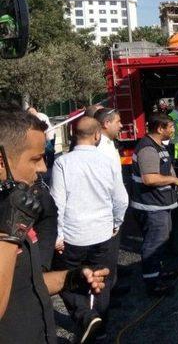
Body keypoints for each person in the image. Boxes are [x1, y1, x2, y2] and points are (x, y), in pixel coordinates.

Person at [0, 110, 109, 344]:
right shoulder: (12, 218)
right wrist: (9, 235)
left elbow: (25, 284)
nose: (42, 168)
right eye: (35, 159)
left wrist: (70, 279)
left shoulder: (16, 209)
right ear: (1, 161)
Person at [50, 117, 128, 340]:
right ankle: (100, 328)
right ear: (97, 135)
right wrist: (116, 223)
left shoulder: (62, 163)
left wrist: (59, 234)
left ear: (74, 135)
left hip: (74, 236)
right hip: (103, 233)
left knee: (67, 279)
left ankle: (84, 316)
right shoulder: (108, 161)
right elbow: (121, 199)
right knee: (101, 279)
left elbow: (58, 202)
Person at [130, 112, 178, 296]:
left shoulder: (159, 145)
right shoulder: (148, 149)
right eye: (170, 127)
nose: (173, 129)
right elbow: (150, 178)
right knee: (154, 244)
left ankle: (158, 273)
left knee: (162, 240)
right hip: (151, 207)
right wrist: (174, 181)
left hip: (161, 205)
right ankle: (153, 284)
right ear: (160, 128)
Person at [94, 108, 129, 294]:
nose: (121, 125)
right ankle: (106, 293)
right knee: (107, 253)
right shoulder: (101, 148)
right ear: (106, 124)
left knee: (112, 252)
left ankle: (112, 284)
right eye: (118, 121)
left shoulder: (107, 144)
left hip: (112, 208)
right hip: (107, 210)